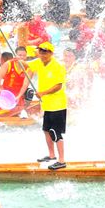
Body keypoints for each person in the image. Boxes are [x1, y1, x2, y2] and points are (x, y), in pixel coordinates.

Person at [21, 42, 67, 170]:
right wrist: (17, 60)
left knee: (55, 132)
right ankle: (51, 155)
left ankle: (61, 160)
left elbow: (58, 86)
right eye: (41, 51)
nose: (42, 53)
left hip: (58, 105)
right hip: (46, 105)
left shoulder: (58, 66)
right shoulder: (39, 62)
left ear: (51, 53)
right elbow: (26, 64)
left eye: (45, 51)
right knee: (46, 130)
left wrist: (43, 92)